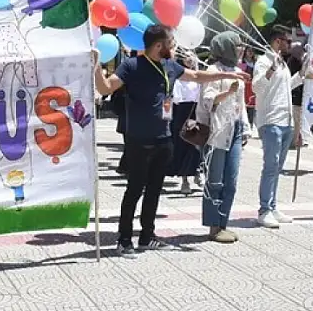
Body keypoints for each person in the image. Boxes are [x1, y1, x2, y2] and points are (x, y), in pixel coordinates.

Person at [94, 25, 247, 258]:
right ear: (158, 45)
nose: (174, 45)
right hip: (139, 140)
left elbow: (196, 76)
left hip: (163, 139)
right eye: (171, 42)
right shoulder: (131, 66)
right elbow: (105, 87)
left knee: (154, 190)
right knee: (134, 190)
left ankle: (147, 236)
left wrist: (227, 74)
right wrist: (95, 66)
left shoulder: (169, 66)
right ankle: (124, 239)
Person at [199, 32, 250, 243]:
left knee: (232, 181)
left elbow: (241, 105)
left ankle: (224, 223)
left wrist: (245, 127)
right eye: (237, 45)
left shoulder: (238, 71)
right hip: (217, 131)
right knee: (215, 180)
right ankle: (213, 227)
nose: (241, 49)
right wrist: (229, 91)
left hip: (235, 129)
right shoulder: (213, 71)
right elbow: (207, 101)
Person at [253, 27, 301, 228]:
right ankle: (264, 209)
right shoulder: (264, 61)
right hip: (271, 120)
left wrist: (301, 76)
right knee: (270, 166)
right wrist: (270, 70)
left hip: (285, 120)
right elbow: (257, 87)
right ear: (277, 41)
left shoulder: (282, 63)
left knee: (278, 167)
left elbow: (284, 87)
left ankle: (272, 206)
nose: (290, 44)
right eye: (287, 41)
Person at [167, 54, 202, 195]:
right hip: (182, 114)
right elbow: (176, 99)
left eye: (192, 57)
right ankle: (185, 180)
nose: (190, 59)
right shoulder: (179, 79)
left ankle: (198, 172)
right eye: (187, 57)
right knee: (183, 146)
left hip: (198, 112)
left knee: (197, 146)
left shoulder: (199, 77)